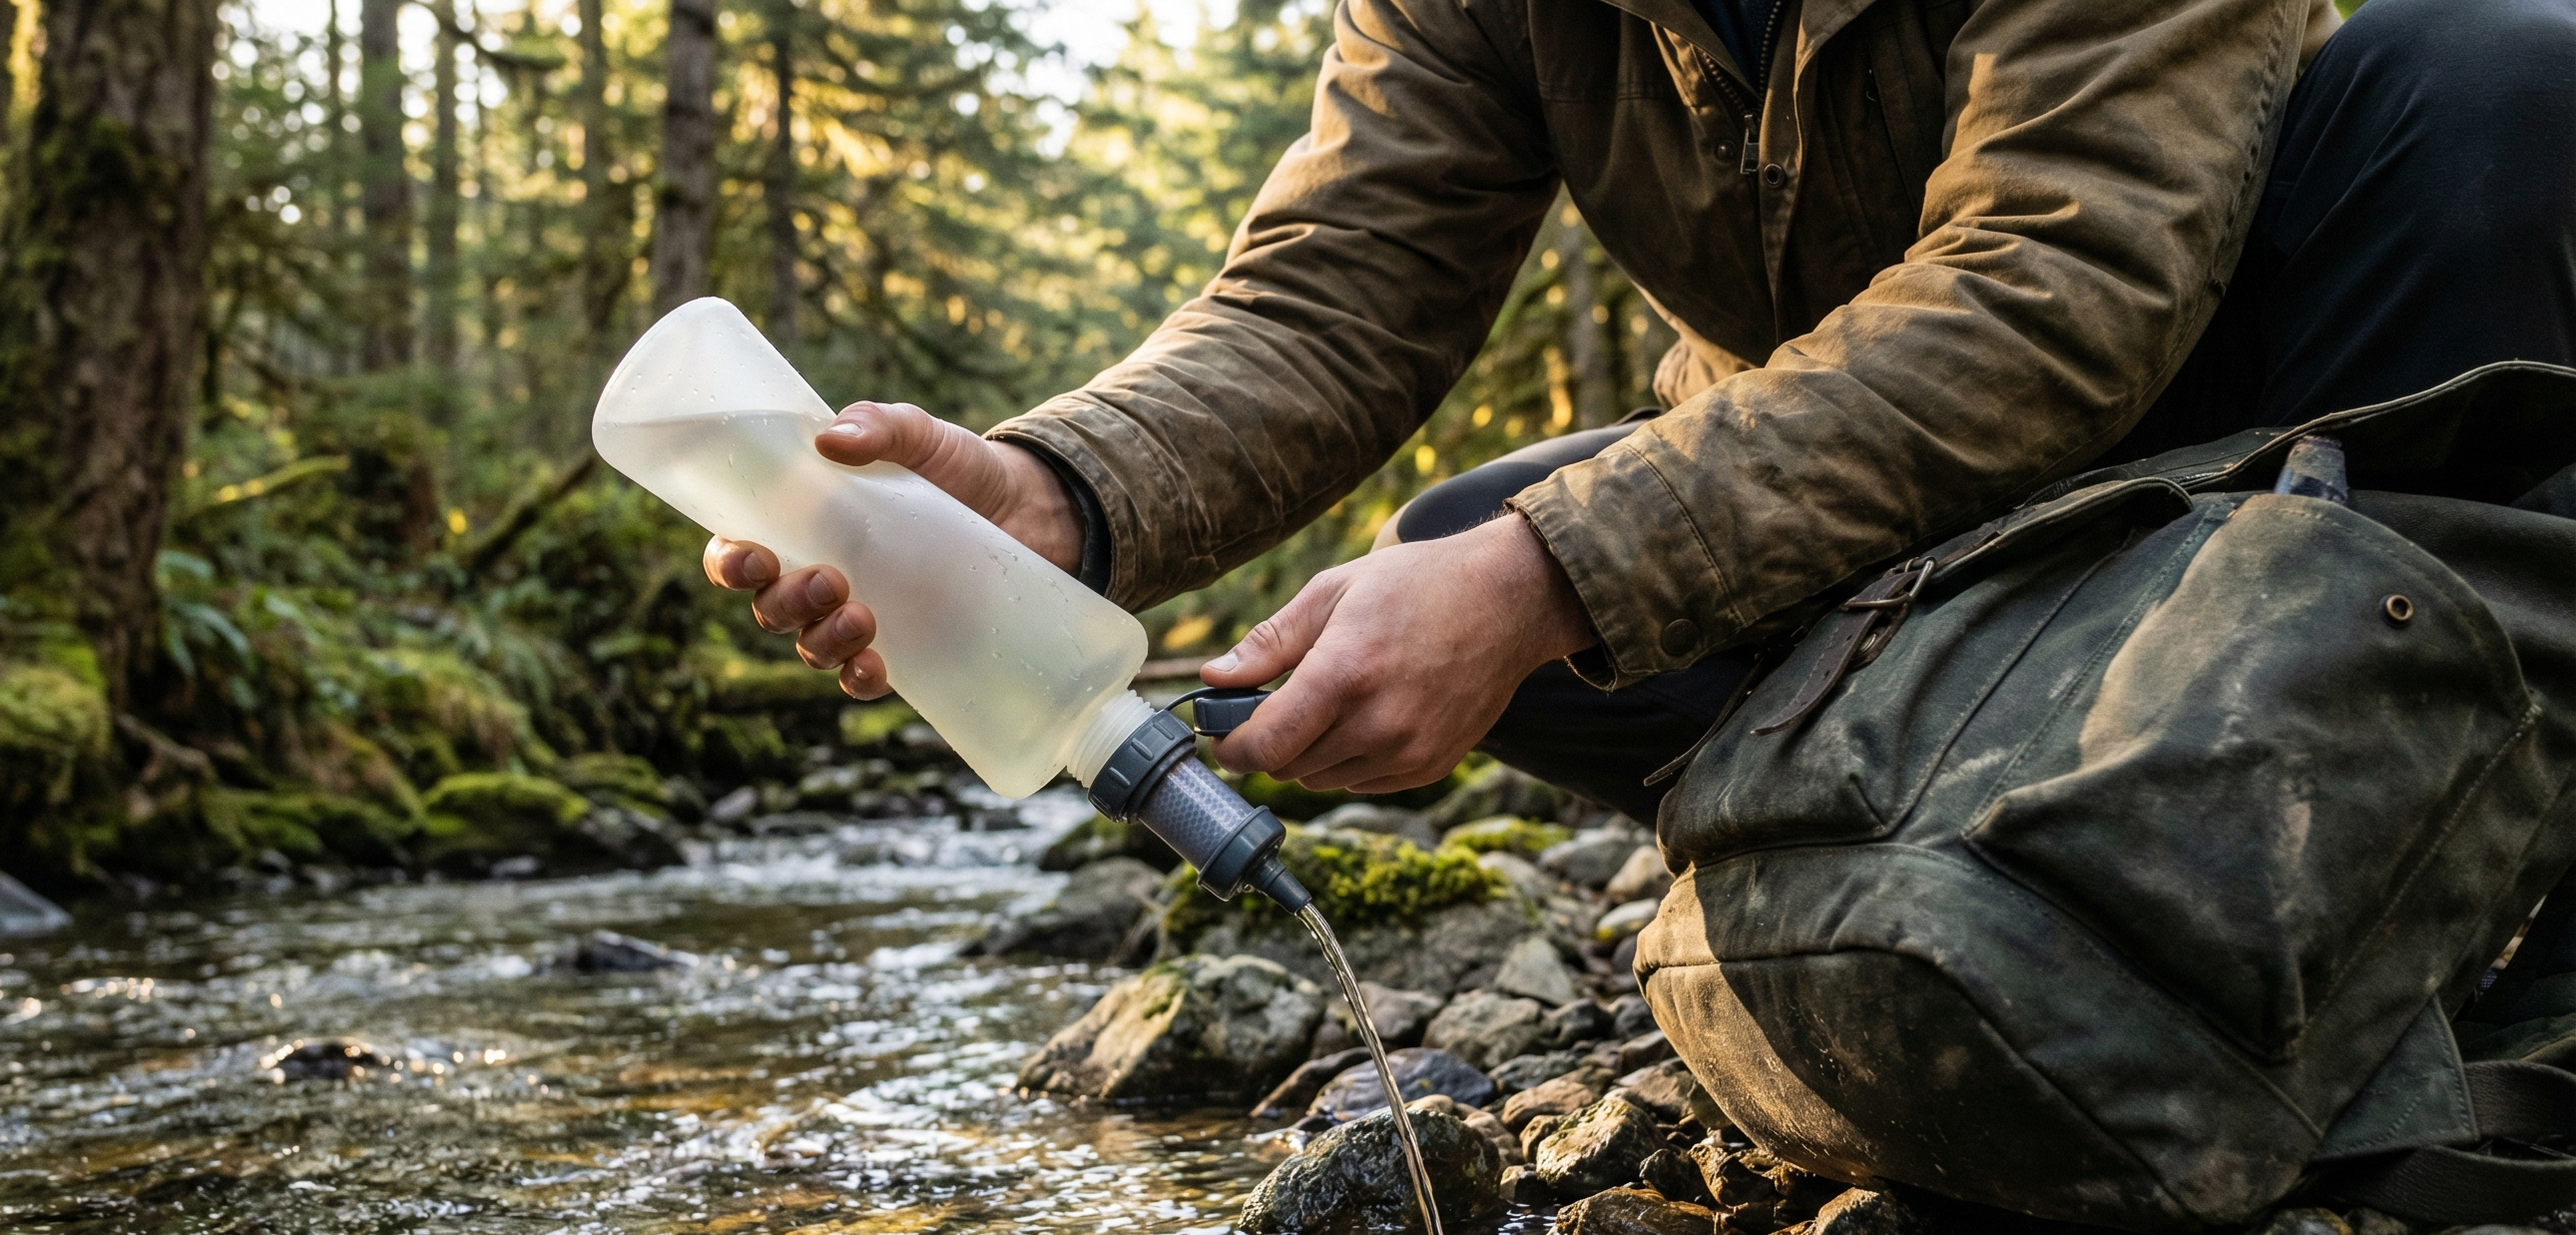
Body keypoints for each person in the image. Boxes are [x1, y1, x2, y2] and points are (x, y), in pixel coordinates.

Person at [705, 0, 2576, 828]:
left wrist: (1562, 569)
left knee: (2496, 86)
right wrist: (1052, 492)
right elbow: (1333, 294)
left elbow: (2063, 276)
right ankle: (1963, 817)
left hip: (2248, 421)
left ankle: (2458, 821)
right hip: (1870, 523)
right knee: (1446, 563)